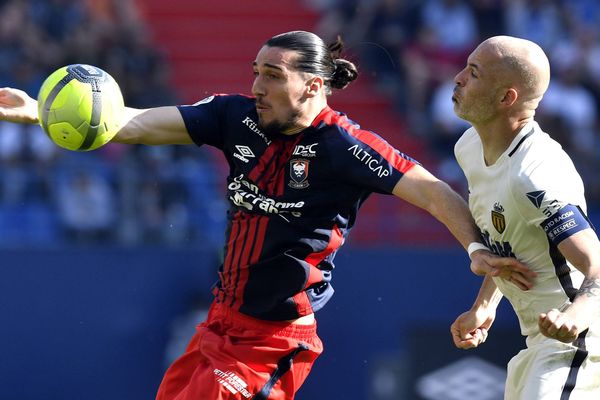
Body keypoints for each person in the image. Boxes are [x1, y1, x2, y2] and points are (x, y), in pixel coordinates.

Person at [0, 31, 534, 400]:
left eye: (273, 76)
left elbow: (436, 192)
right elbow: (135, 122)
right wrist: (41, 111)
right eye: (255, 72)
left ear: (313, 85)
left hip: (273, 342)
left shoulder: (345, 146)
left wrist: (474, 248)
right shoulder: (236, 118)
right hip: (216, 328)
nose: (257, 85)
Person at [450, 35, 600, 399]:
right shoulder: (469, 147)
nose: (457, 78)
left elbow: (596, 263)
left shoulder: (535, 174)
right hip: (540, 344)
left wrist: (576, 316)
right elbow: (510, 239)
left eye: (474, 73)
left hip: (579, 345)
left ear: (506, 98)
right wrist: (484, 304)